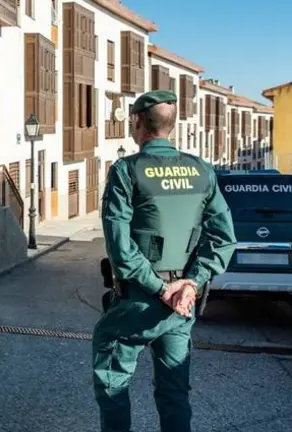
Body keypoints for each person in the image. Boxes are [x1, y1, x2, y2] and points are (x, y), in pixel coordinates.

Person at [92, 90, 237, 432]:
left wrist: (160, 288)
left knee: (112, 384)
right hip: (182, 305)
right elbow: (223, 238)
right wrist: (192, 283)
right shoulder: (201, 170)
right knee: (174, 393)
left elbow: (120, 247)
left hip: (139, 301)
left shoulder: (127, 170)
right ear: (172, 126)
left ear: (138, 122)